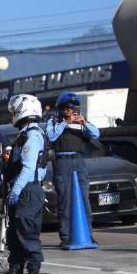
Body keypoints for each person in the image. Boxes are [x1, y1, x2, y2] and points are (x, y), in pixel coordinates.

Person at [0, 94, 47, 274]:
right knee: (14, 236)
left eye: (14, 111)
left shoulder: (33, 135)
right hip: (23, 190)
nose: (13, 115)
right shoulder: (24, 135)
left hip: (28, 191)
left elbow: (28, 168)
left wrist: (15, 191)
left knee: (28, 234)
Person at [46, 92, 100, 247]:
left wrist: (85, 123)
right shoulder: (54, 121)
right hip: (62, 162)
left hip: (78, 161)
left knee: (84, 198)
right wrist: (65, 123)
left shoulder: (81, 121)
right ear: (61, 109)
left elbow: (96, 134)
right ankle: (65, 236)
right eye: (67, 108)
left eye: (73, 108)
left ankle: (88, 234)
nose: (71, 111)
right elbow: (51, 136)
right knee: (65, 200)